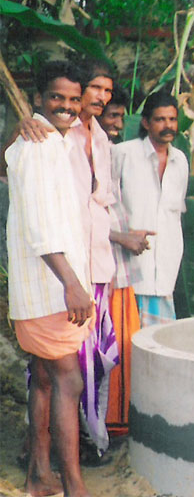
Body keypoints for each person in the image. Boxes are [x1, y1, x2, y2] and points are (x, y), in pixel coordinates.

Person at [19, 59, 123, 462]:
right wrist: (23, 123)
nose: (101, 97)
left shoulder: (99, 139)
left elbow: (98, 205)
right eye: (95, 88)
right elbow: (39, 219)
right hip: (59, 276)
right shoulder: (44, 137)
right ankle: (56, 464)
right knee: (61, 373)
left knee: (80, 367)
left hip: (91, 264)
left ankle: (62, 456)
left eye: (107, 90)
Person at [6, 60, 94, 497]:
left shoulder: (48, 142)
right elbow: (41, 227)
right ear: (39, 98)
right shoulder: (38, 146)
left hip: (42, 291)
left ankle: (40, 477)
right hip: (51, 290)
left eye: (74, 99)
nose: (66, 106)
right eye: (57, 97)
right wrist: (71, 283)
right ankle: (74, 486)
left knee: (44, 378)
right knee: (67, 381)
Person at [97, 86, 150, 436]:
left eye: (120, 116)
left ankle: (117, 425)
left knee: (125, 347)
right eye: (112, 115)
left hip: (120, 268)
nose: (118, 123)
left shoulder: (109, 151)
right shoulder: (87, 151)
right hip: (102, 270)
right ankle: (103, 428)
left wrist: (129, 236)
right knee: (108, 351)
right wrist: (122, 238)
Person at [112, 91, 189, 327]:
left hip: (166, 265)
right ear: (146, 122)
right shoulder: (123, 153)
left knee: (158, 339)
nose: (168, 126)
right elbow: (105, 205)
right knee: (126, 337)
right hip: (128, 265)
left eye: (172, 119)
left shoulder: (180, 160)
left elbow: (175, 213)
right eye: (160, 119)